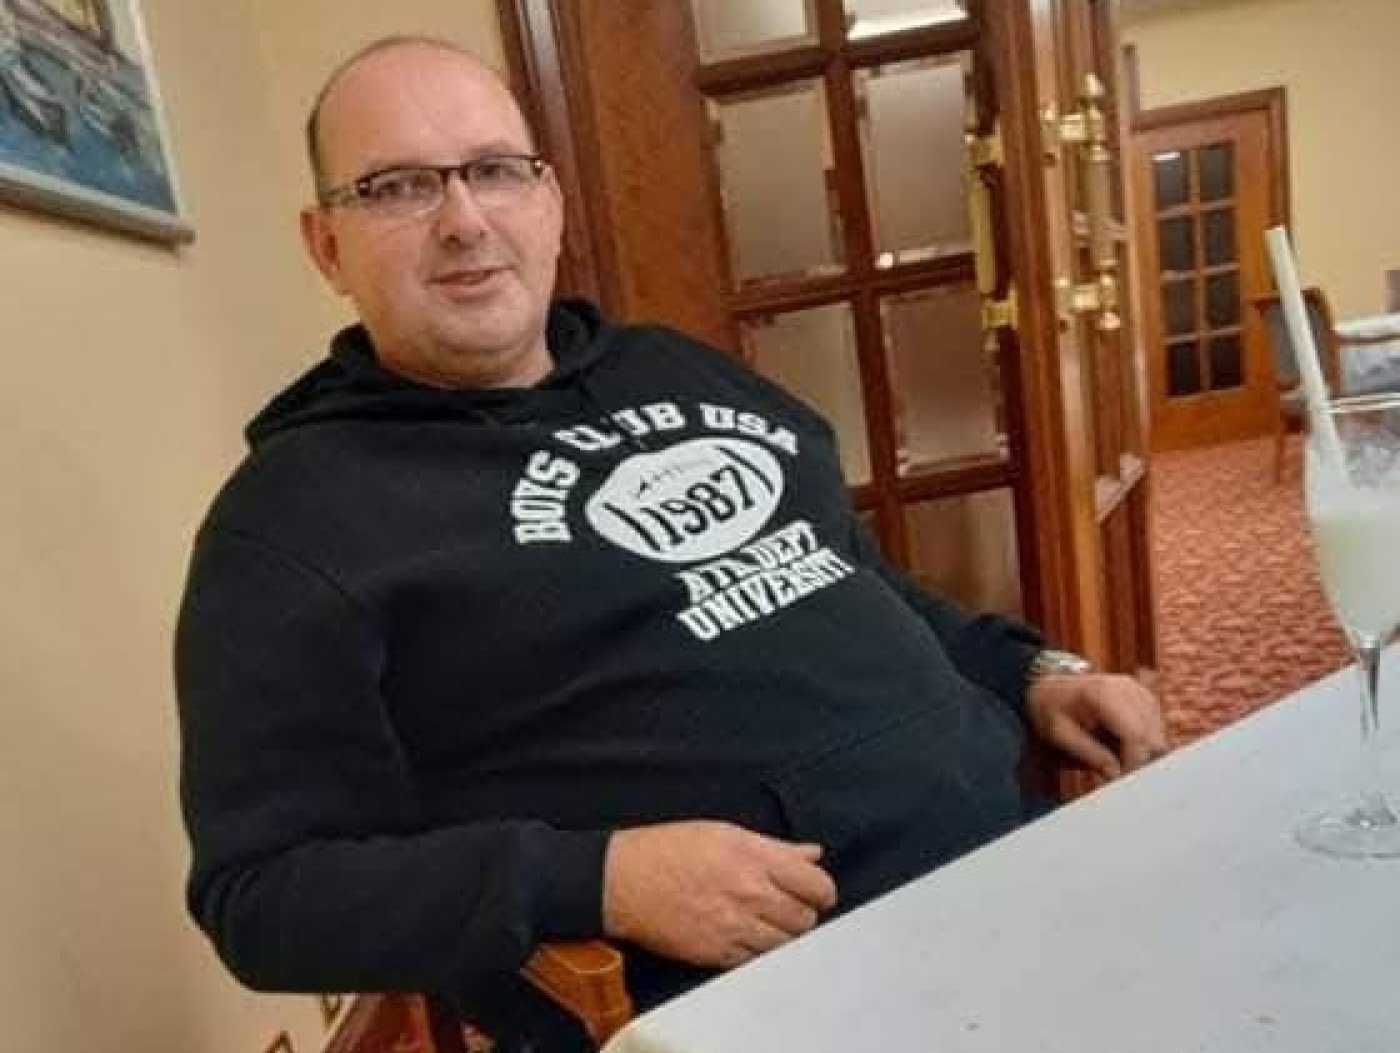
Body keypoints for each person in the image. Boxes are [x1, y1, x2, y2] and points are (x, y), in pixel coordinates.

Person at [175, 35, 1167, 1050]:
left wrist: (1030, 672)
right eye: (397, 187)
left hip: (1012, 868)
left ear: (550, 200)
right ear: (326, 246)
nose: (464, 220)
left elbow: (848, 575)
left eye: (495, 171)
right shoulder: (291, 522)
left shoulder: (671, 366)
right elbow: (259, 896)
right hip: (781, 994)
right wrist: (598, 877)